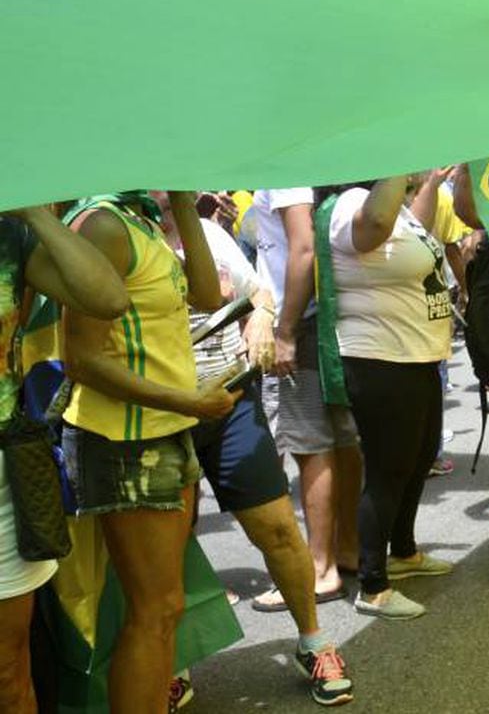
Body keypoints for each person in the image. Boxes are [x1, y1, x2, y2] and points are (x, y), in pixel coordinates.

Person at [151, 195, 354, 705]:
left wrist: (263, 315)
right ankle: (173, 664)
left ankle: (313, 642)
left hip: (232, 402)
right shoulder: (123, 239)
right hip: (164, 413)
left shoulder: (207, 232)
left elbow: (257, 289)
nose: (166, 190)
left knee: (280, 532)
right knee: (169, 553)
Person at [60, 191, 238, 713]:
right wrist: (187, 399)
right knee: (153, 610)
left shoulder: (137, 219)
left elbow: (207, 294)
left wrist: (184, 207)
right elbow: (82, 360)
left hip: (167, 430)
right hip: (128, 441)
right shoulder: (102, 226)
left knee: (164, 609)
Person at [0, 206, 127, 714]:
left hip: (4, 478)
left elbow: (108, 297)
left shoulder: (10, 237)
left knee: (9, 669)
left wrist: (32, 209)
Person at [322, 173, 455, 619]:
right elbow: (374, 229)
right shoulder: (351, 203)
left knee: (418, 460)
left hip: (418, 355)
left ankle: (405, 553)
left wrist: (433, 180)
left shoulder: (393, 206)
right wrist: (398, 158)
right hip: (380, 358)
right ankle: (373, 586)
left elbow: (406, 230)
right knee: (388, 471)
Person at [249, 188, 362, 608]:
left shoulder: (283, 174)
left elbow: (302, 249)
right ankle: (345, 549)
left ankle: (319, 568)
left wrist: (284, 331)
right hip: (316, 317)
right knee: (337, 440)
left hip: (300, 318)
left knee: (309, 445)